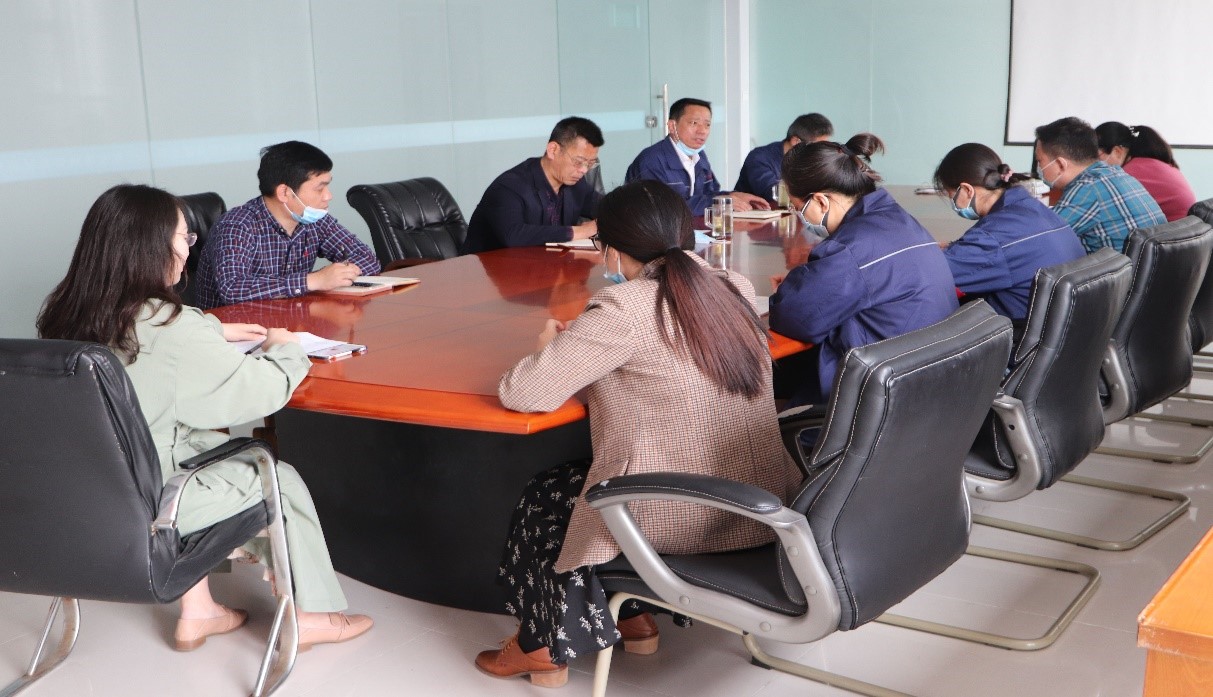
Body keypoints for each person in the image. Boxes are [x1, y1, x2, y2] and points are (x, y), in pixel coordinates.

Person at [474, 180, 801, 687]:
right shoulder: (730, 285)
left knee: (549, 495)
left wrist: (546, 348)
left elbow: (524, 393)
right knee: (580, 483)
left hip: (685, 513)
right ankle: (634, 619)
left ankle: (540, 647)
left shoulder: (623, 308)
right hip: (761, 500)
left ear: (610, 249)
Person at [37, 184, 373, 652]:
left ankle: (200, 611)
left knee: (193, 440)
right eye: (184, 237)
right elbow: (256, 393)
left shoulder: (66, 313)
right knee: (279, 479)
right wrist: (287, 350)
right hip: (153, 499)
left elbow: (148, 355)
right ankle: (311, 618)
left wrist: (209, 327)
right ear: (153, 247)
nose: (187, 248)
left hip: (83, 492)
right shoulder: (170, 327)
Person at [768, 134, 958, 407]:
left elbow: (793, 317)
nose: (802, 218)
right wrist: (814, 279)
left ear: (821, 201)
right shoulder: (899, 219)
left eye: (799, 209)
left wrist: (796, 286)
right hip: (926, 386)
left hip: (877, 402)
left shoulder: (849, 250)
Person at [195, 140, 380, 309]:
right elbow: (233, 289)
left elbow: (367, 258)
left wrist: (336, 275)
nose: (328, 196)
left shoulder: (315, 220)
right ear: (284, 192)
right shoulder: (237, 225)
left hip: (291, 319)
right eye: (320, 188)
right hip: (232, 329)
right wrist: (313, 281)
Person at [933, 143, 1085, 321]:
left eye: (951, 196)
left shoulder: (993, 238)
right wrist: (956, 247)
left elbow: (930, 274)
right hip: (1063, 326)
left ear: (967, 190)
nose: (953, 203)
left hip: (1019, 333)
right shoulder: (1033, 208)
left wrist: (931, 253)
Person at [460, 117, 606, 254]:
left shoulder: (576, 185)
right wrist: (581, 231)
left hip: (543, 266)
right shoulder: (509, 186)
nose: (584, 170)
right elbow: (513, 235)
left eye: (590, 163)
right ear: (553, 150)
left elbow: (607, 207)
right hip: (484, 269)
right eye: (578, 162)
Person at [1034, 117, 1165, 253]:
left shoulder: (1087, 188)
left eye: (1039, 161)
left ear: (1060, 164)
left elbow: (1038, 238)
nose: (1038, 167)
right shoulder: (1117, 173)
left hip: (1126, 266)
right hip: (1148, 264)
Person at [624, 97, 769, 213]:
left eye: (707, 125)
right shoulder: (652, 160)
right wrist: (721, 202)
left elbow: (709, 194)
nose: (702, 131)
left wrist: (733, 196)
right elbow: (664, 208)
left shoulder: (699, 156)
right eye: (694, 123)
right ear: (672, 126)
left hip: (691, 230)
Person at [1095, 122, 1196, 222]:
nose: (1094, 163)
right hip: (1189, 228)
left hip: (1174, 229)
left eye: (1097, 157)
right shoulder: (1146, 164)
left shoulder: (1128, 174)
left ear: (1117, 152)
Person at [734, 112, 834, 200]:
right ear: (796, 141)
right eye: (818, 146)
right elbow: (774, 194)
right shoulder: (759, 158)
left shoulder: (810, 161)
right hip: (752, 214)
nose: (821, 151)